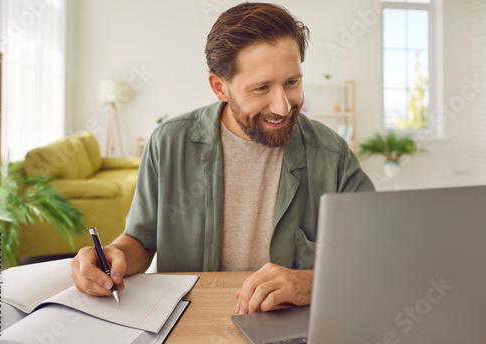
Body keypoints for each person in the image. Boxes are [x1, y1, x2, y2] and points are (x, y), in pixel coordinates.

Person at [70, 2, 375, 315]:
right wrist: (114, 254)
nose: (283, 106)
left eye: (292, 83)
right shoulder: (168, 143)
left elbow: (378, 253)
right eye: (261, 88)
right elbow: (141, 240)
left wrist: (309, 282)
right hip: (194, 320)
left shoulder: (332, 154)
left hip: (291, 325)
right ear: (220, 87)